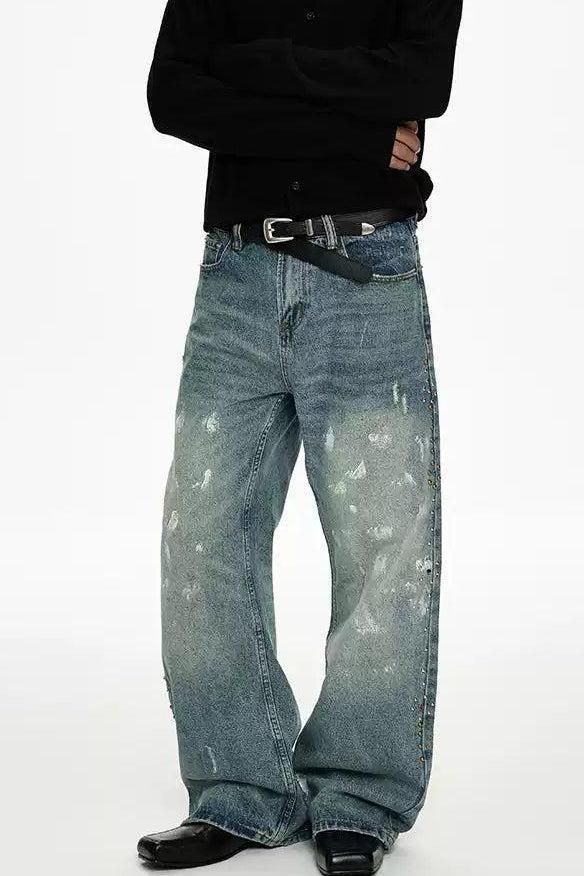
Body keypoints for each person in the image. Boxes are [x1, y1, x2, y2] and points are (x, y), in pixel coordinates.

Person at [138, 1, 462, 872]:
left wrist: (253, 63)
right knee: (203, 536)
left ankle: (359, 798)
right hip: (235, 277)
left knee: (383, 548)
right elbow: (174, 97)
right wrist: (355, 133)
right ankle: (241, 794)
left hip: (367, 274)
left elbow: (420, 82)